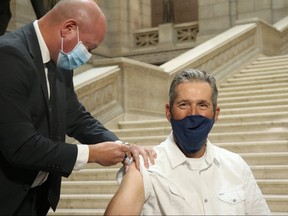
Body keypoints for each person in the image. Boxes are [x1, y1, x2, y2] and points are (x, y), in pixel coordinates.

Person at [0, 0, 154, 215]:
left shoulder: (60, 61)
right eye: (89, 47)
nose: (88, 56)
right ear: (68, 28)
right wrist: (91, 153)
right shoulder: (8, 55)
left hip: (35, 199)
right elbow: (20, 146)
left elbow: (76, 117)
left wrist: (120, 145)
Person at [104, 69, 271, 215]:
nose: (193, 114)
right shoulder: (145, 167)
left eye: (202, 105)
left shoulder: (236, 166)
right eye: (183, 104)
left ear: (216, 114)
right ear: (169, 112)